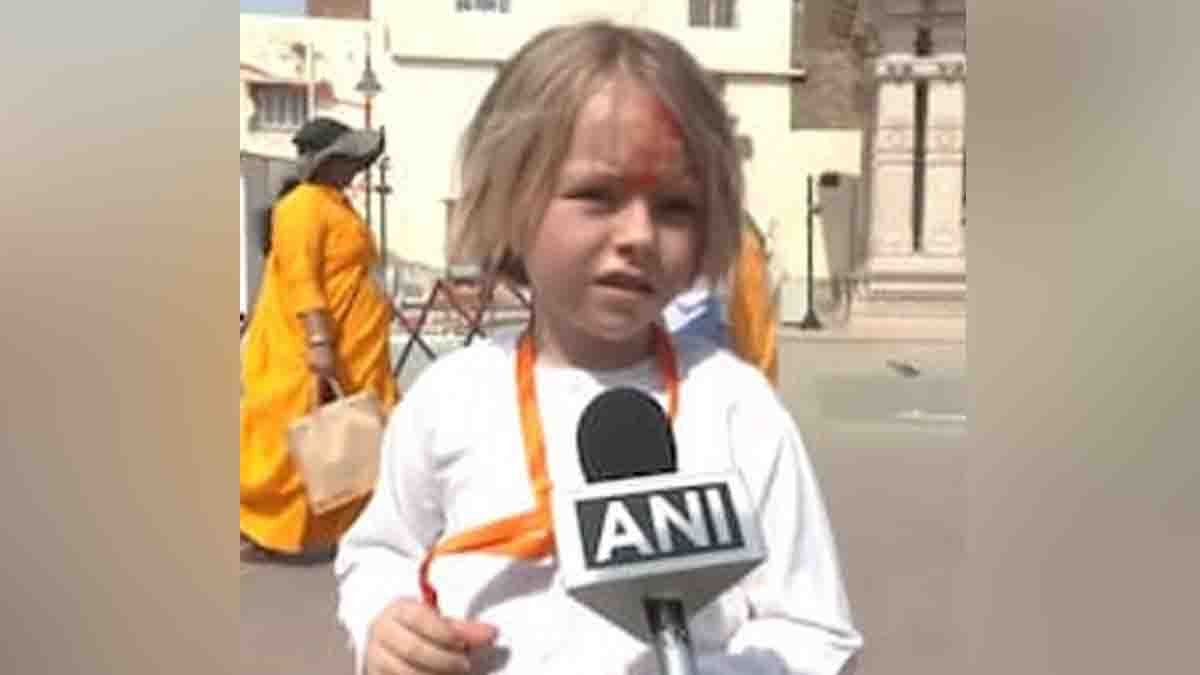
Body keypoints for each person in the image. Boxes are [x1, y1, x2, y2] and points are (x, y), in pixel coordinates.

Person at [335, 21, 862, 675]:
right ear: (511, 198)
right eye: (596, 196)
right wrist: (383, 622)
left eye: (674, 206)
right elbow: (380, 552)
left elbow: (818, 635)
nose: (638, 233)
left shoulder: (736, 408)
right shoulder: (451, 398)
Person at [240, 117, 399, 561]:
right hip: (309, 347)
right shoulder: (302, 207)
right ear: (328, 161)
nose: (356, 168)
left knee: (358, 437)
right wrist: (319, 343)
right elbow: (302, 278)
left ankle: (356, 528)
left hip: (358, 348)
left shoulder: (337, 204)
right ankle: (264, 526)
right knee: (293, 440)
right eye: (348, 159)